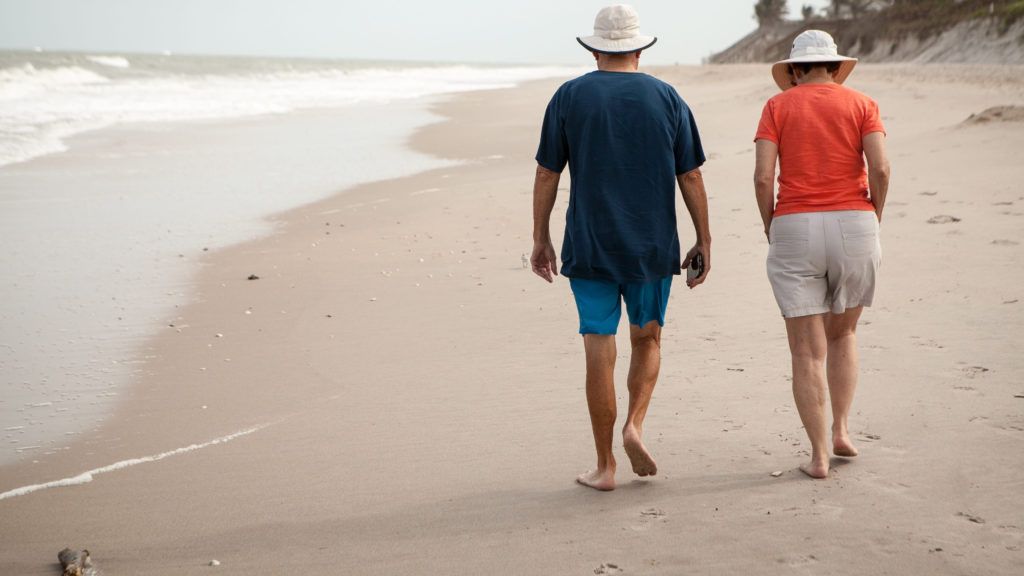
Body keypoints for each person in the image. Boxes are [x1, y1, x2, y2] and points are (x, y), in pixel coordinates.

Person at [531, 4, 711, 491]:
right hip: (651, 246)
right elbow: (690, 173)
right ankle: (634, 424)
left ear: (593, 48)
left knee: (598, 344)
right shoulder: (667, 97)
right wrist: (704, 238)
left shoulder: (569, 97)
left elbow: (549, 172)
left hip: (589, 243)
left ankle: (605, 464)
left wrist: (540, 236)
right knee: (647, 339)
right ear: (640, 47)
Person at [753, 30, 890, 479]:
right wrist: (875, 214)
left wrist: (773, 225)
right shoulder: (862, 104)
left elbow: (762, 177)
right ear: (834, 67)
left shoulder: (777, 106)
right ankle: (842, 430)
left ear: (794, 70)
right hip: (855, 221)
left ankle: (817, 456)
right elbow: (881, 168)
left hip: (795, 224)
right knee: (843, 334)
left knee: (806, 351)